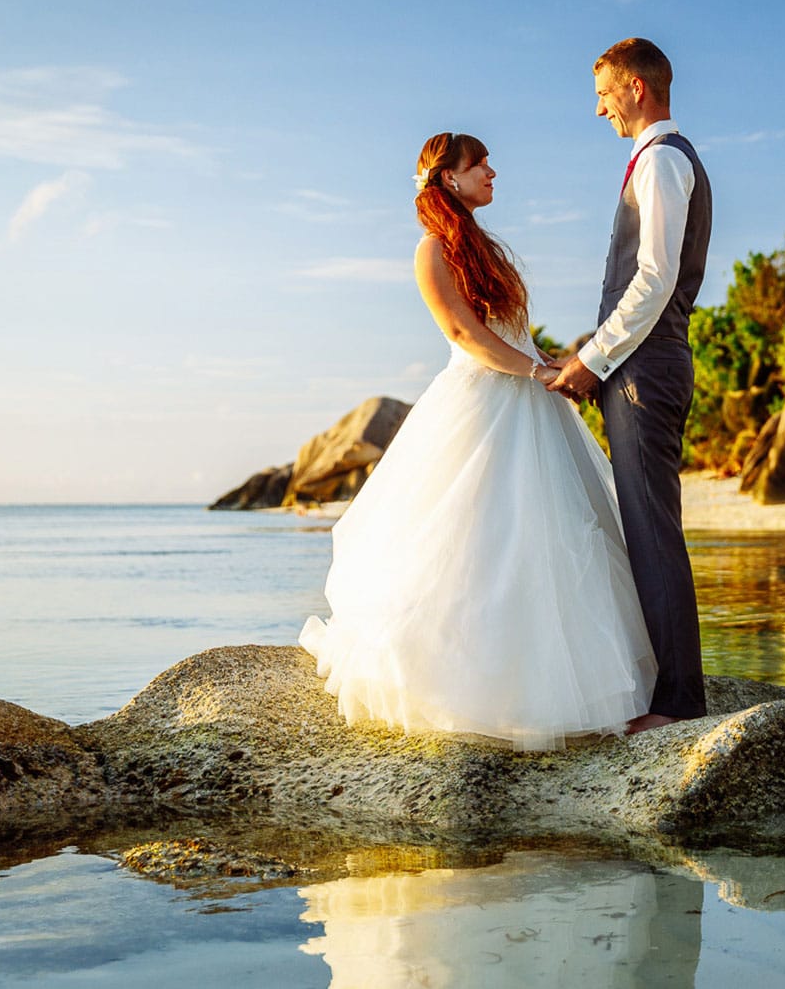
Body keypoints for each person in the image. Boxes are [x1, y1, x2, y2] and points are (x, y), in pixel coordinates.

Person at [299, 132, 657, 751]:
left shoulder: (485, 246)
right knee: (473, 538)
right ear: (448, 179)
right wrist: (537, 372)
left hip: (526, 395)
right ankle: (472, 688)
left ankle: (564, 682)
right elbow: (464, 335)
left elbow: (511, 332)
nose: (492, 171)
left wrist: (550, 362)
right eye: (479, 164)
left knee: (552, 537)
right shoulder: (431, 250)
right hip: (481, 400)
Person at [547, 38, 712, 733]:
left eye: (605, 93)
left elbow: (654, 278)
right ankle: (666, 685)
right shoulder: (660, 161)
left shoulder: (664, 160)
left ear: (637, 88)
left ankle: (677, 703)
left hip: (644, 367)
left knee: (652, 532)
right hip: (643, 361)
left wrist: (595, 359)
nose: (599, 108)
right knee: (644, 528)